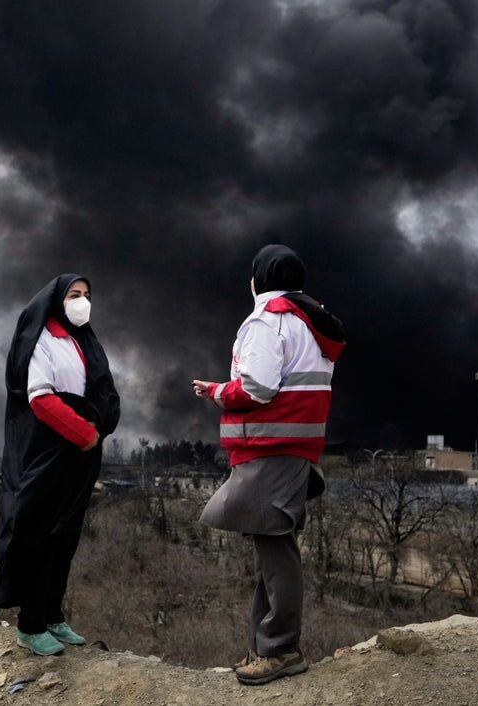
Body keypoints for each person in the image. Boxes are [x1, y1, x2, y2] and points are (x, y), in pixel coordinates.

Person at [191, 244, 345, 686]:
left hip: (271, 447)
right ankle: (265, 645)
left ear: (260, 277)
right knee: (269, 549)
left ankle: (280, 650)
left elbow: (257, 387)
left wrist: (218, 391)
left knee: (277, 552)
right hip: (293, 447)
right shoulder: (309, 319)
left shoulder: (268, 319)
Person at [0, 274, 121, 656]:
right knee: (38, 536)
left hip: (81, 457)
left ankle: (52, 614)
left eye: (86, 295)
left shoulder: (85, 341)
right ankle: (30, 624)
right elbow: (40, 398)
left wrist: (101, 423)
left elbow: (104, 392)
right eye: (74, 295)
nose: (82, 302)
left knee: (66, 536)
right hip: (50, 453)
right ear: (56, 300)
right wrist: (83, 431)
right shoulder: (41, 342)